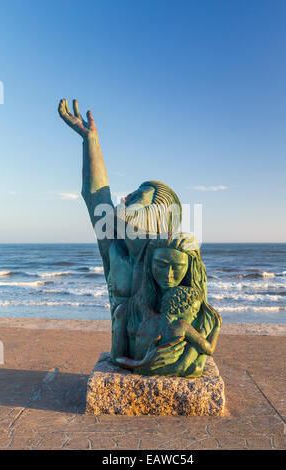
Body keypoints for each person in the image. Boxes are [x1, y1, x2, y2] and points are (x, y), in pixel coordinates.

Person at [58, 99, 182, 317]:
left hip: (152, 351)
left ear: (157, 211)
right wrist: (90, 141)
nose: (127, 196)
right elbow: (94, 193)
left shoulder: (164, 262)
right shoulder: (115, 248)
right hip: (121, 350)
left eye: (139, 195)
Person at [113, 233, 222, 377]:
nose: (168, 275)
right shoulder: (126, 311)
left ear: (189, 267)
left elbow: (201, 357)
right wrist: (141, 364)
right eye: (161, 265)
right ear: (149, 263)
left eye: (177, 267)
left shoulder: (200, 311)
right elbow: (116, 357)